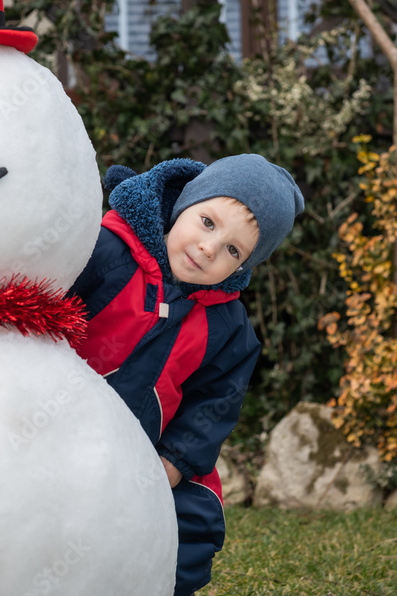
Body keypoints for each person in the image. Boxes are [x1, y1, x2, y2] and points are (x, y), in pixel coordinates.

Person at [69, 154, 305, 595]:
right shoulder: (106, 253)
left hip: (147, 452)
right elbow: (45, 306)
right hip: (58, 425)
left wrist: (174, 464)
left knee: (195, 520)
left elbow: (213, 404)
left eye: (233, 250)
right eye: (208, 222)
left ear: (242, 268)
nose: (209, 248)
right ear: (183, 206)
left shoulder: (229, 329)